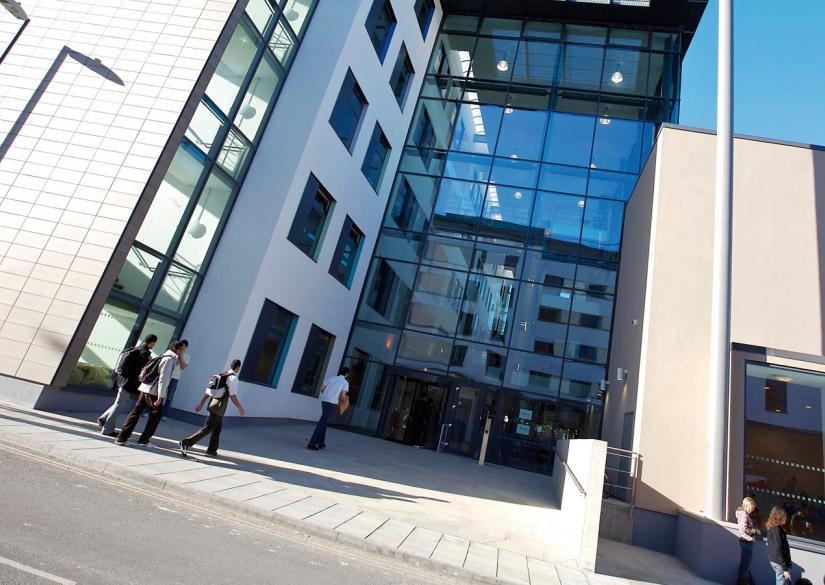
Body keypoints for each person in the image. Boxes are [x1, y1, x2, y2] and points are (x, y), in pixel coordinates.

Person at [115, 340, 184, 447]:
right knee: (155, 416)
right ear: (174, 348)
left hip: (145, 388)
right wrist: (160, 396)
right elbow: (163, 379)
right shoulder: (169, 359)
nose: (181, 352)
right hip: (154, 391)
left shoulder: (162, 356)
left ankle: (122, 437)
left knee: (135, 412)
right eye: (180, 349)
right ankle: (144, 440)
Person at [178, 359, 244, 458]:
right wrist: (240, 408)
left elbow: (209, 391)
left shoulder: (222, 375)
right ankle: (186, 443)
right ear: (238, 367)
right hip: (219, 407)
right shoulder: (233, 379)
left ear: (231, 366)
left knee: (217, 429)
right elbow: (233, 396)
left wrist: (201, 403)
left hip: (213, 404)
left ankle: (212, 450)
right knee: (208, 428)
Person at [97, 334, 157, 436]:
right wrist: (149, 361)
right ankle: (107, 429)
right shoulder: (144, 353)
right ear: (152, 342)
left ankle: (103, 419)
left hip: (123, 381)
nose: (154, 345)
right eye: (154, 343)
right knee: (118, 405)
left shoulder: (137, 349)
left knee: (119, 403)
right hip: (128, 384)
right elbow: (140, 371)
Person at [307, 367, 350, 451]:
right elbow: (342, 396)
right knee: (322, 422)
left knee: (324, 421)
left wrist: (326, 395)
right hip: (332, 403)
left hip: (324, 401)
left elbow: (321, 388)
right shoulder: (345, 382)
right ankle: (312, 443)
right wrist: (345, 401)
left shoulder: (331, 378)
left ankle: (321, 442)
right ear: (347, 374)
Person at [162, 339, 189, 421]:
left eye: (184, 347)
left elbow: (183, 367)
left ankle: (164, 414)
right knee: (159, 393)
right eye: (181, 346)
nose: (182, 348)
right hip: (166, 375)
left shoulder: (186, 356)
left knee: (169, 397)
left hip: (175, 378)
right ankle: (148, 411)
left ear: (186, 348)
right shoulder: (172, 353)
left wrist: (181, 357)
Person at [736, 497, 761, 583]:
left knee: (743, 567)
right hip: (746, 542)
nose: (753, 509)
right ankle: (742, 582)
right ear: (748, 506)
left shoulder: (742, 514)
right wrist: (755, 531)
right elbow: (744, 530)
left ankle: (742, 581)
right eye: (752, 507)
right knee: (744, 567)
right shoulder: (744, 514)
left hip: (744, 542)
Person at [767, 505, 792, 585]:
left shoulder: (771, 527)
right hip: (779, 561)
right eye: (784, 515)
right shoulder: (777, 529)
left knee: (781, 580)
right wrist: (785, 569)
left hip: (774, 559)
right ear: (779, 517)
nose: (785, 517)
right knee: (781, 581)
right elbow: (778, 549)